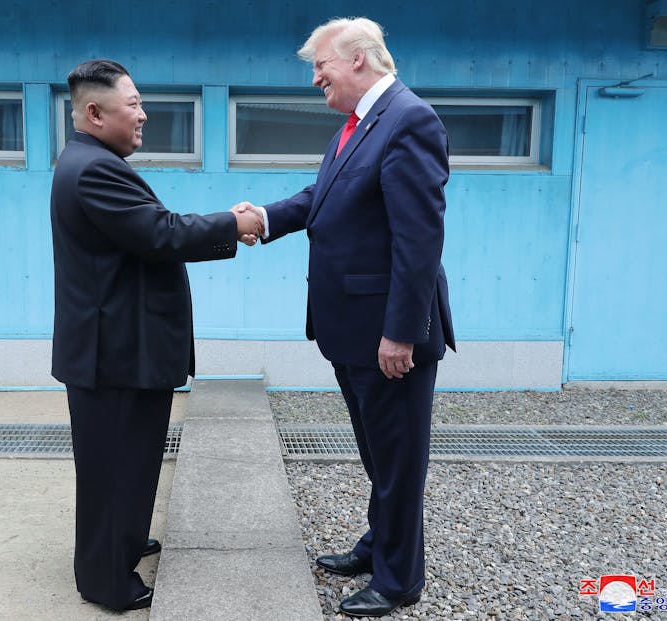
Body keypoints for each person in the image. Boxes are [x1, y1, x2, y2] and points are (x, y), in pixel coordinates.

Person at [243, 18, 455, 618]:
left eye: (321, 66)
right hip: (351, 329)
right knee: (377, 454)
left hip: (386, 334)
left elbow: (419, 241)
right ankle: (377, 543)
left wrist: (401, 332)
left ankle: (398, 579)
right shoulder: (357, 126)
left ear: (358, 60)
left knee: (397, 460)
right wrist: (263, 216)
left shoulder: (409, 120)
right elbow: (321, 198)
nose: (316, 78)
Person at [50, 59, 263, 611]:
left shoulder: (91, 161)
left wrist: (222, 223)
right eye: (133, 105)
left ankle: (124, 540)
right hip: (113, 353)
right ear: (94, 113)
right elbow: (159, 233)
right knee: (113, 467)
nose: (144, 115)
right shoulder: (94, 169)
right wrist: (232, 223)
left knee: (132, 458)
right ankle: (105, 581)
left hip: (120, 347)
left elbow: (147, 232)